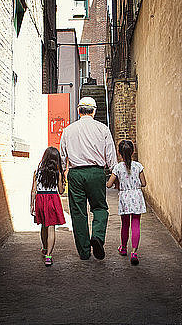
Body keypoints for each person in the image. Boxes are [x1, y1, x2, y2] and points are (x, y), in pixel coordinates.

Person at [59, 96, 117, 260]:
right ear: (94, 111)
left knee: (78, 213)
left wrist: (63, 174)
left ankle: (84, 252)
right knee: (99, 208)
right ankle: (97, 237)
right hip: (96, 173)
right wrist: (114, 173)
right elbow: (110, 154)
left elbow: (62, 156)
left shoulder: (68, 130)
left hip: (76, 174)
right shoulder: (102, 128)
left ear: (79, 110)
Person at [106, 140, 147, 265]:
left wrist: (118, 182)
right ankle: (134, 252)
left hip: (125, 197)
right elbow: (144, 183)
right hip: (137, 196)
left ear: (119, 153)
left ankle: (123, 248)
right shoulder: (138, 166)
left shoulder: (117, 168)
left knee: (125, 224)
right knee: (136, 224)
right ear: (133, 152)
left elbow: (108, 184)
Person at [30, 147, 66, 266]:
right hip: (52, 199)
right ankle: (49, 256)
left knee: (43, 226)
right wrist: (62, 182)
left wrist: (32, 205)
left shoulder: (37, 171)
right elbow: (61, 191)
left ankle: (44, 248)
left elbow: (33, 190)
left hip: (40, 199)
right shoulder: (57, 173)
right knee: (51, 228)